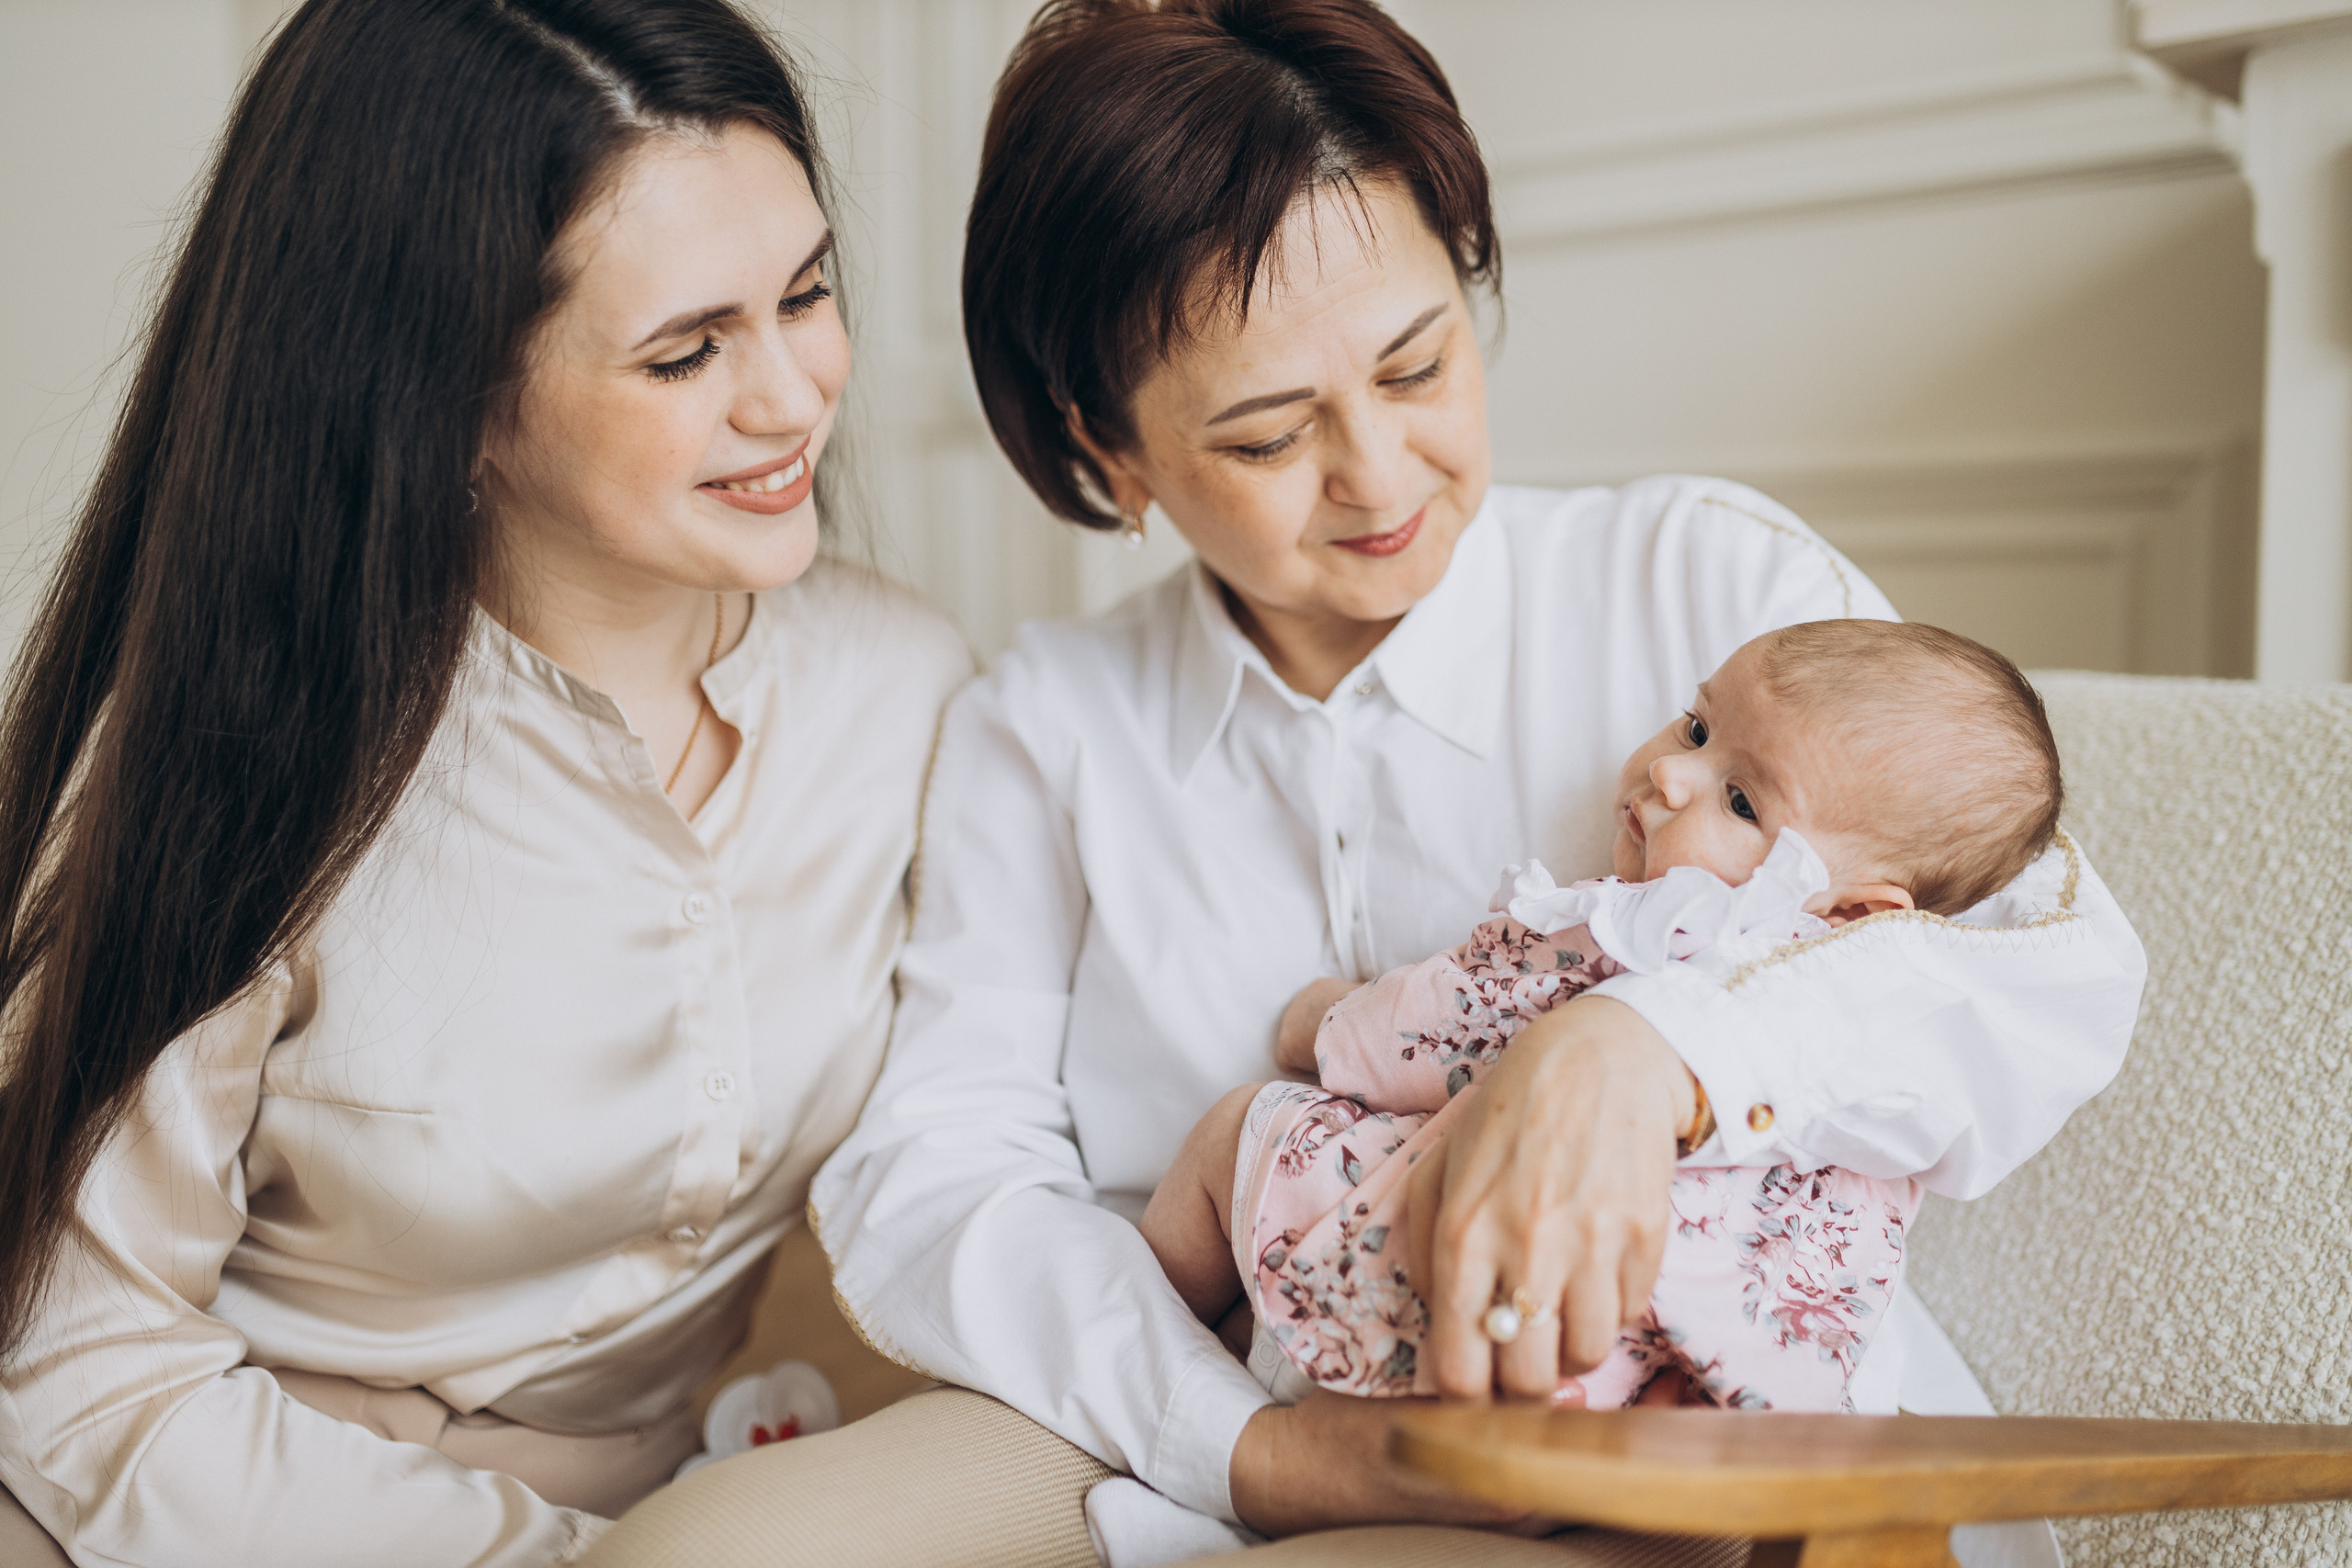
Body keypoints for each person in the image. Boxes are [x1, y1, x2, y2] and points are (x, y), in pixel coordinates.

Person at [585, 3, 2143, 1565]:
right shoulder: (1042, 727)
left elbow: (2050, 970)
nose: (1383, 477)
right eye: (1269, 438)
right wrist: (1241, 1444)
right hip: (1162, 1399)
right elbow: (938, 1175)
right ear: (1106, 448)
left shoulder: (1710, 592)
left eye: (1419, 364)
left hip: (1632, 1410)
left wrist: (1649, 1044)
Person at [0, 3, 966, 1565]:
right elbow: (84, 1370)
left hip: (695, 1510)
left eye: (805, 293)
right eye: (687, 350)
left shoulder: (906, 693)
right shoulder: (240, 761)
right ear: (448, 390)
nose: (793, 396)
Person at [1142, 620, 2064, 1415]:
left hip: (1451, 1307)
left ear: (1853, 911)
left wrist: (1330, 1019)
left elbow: (1448, 1021)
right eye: (1697, 727)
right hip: (1685, 1392)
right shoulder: (1883, 1066)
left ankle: (1164, 1341)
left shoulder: (1648, 932)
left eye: (1741, 800)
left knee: (1236, 1130)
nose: (1670, 771)